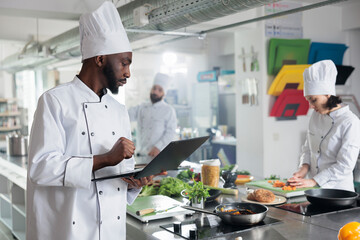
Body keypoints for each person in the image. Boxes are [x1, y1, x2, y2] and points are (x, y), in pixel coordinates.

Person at [26, 2, 158, 240]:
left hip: (110, 231)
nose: (128, 73)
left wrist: (134, 183)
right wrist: (106, 158)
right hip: (68, 230)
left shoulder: (119, 111)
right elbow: (41, 168)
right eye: (124, 62)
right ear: (99, 59)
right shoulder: (55, 101)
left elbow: (118, 177)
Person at [288, 60, 360, 191]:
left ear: (328, 94)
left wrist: (314, 181)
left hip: (338, 192)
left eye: (314, 100)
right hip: (314, 191)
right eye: (308, 100)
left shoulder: (350, 122)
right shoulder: (316, 116)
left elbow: (345, 165)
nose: (310, 106)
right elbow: (308, 148)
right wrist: (302, 170)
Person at [128, 73, 177, 162]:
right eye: (154, 88)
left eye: (160, 90)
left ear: (164, 94)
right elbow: (125, 115)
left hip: (158, 155)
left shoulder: (168, 110)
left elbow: (170, 132)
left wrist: (158, 147)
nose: (155, 92)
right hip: (141, 155)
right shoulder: (142, 107)